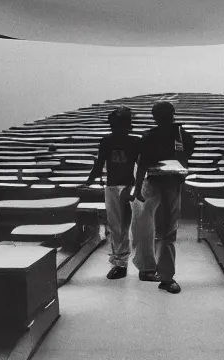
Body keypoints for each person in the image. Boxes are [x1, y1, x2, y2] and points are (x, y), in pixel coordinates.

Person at [130, 100, 195, 294]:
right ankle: (157, 274)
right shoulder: (151, 136)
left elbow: (186, 155)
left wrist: (137, 187)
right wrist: (138, 187)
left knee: (155, 228)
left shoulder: (180, 135)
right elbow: (142, 162)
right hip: (156, 182)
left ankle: (156, 272)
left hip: (166, 183)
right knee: (155, 228)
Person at [83, 106, 146, 280]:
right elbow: (99, 163)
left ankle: (129, 263)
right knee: (118, 226)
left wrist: (137, 187)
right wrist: (89, 181)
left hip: (127, 185)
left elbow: (142, 165)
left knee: (125, 226)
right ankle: (120, 261)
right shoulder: (109, 141)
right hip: (116, 186)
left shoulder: (133, 141)